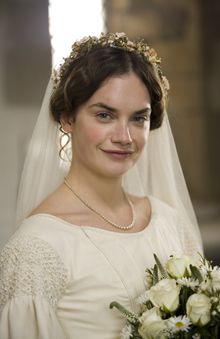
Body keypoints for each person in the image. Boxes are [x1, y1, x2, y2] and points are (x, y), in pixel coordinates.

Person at [0, 32, 202, 339]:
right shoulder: (36, 249)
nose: (124, 136)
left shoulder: (169, 222)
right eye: (105, 115)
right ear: (67, 118)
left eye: (138, 118)